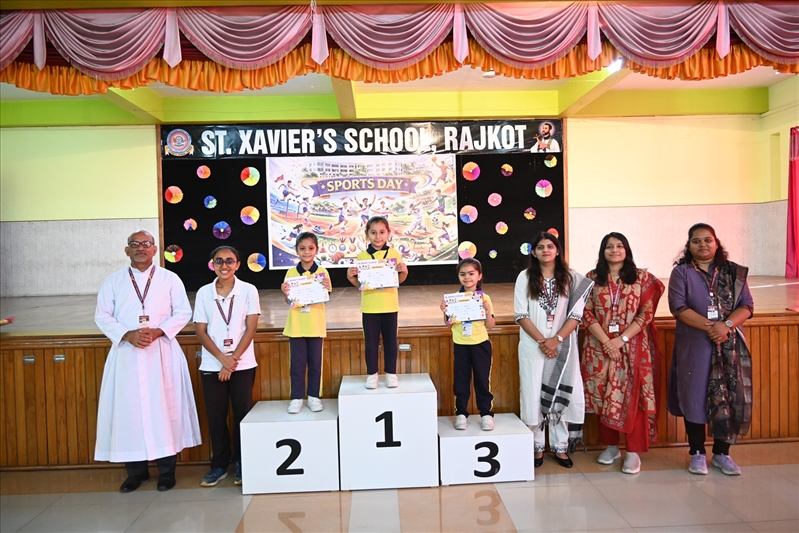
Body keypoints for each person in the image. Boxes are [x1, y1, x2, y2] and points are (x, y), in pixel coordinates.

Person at [94, 230, 201, 493]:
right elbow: (102, 316)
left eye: (146, 244)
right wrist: (127, 334)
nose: (140, 248)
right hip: (127, 355)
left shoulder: (169, 278)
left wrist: (159, 331)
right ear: (126, 250)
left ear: (154, 250)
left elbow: (183, 311)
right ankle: (136, 473)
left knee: (164, 410)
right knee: (129, 413)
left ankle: (167, 472)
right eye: (135, 244)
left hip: (160, 351)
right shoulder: (113, 281)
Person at [668, 223, 754, 476]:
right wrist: (712, 328)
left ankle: (721, 454)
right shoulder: (682, 272)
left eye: (707, 240)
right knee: (694, 395)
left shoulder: (734, 272)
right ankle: (696, 452)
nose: (702, 244)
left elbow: (747, 306)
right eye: (696, 241)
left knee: (728, 395)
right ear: (689, 246)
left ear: (717, 243)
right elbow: (678, 308)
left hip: (729, 345)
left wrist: (725, 326)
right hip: (694, 346)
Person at [581, 233, 665, 474]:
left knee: (634, 397)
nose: (614, 250)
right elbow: (585, 312)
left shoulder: (642, 278)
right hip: (599, 347)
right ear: (602, 251)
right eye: (609, 246)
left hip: (633, 347)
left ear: (627, 250)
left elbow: (646, 313)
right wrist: (607, 342)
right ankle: (611, 446)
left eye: (619, 246)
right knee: (604, 395)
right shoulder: (592, 278)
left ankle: (633, 451)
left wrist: (621, 339)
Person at [514, 232, 593, 468]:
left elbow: (576, 315)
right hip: (533, 346)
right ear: (533, 252)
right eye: (540, 247)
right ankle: (537, 446)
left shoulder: (571, 278)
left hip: (563, 345)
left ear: (557, 250)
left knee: (560, 389)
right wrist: (543, 341)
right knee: (533, 394)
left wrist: (556, 340)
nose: (545, 250)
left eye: (550, 246)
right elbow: (521, 314)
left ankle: (560, 446)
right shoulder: (525, 277)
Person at [194, 246, 260, 487]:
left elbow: (251, 328)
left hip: (242, 364)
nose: (224, 265)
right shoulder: (204, 292)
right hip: (213, 364)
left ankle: (242, 461)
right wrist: (223, 359)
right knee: (216, 416)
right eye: (219, 261)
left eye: (230, 261)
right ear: (212, 264)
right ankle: (219, 465)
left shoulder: (249, 290)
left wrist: (231, 361)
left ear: (238, 264)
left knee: (242, 414)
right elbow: (200, 331)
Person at [347, 216, 409, 389]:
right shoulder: (362, 256)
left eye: (382, 232)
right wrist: (351, 277)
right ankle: (372, 374)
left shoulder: (394, 254)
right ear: (367, 235)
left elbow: (399, 280)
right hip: (370, 307)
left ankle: (391, 373)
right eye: (373, 233)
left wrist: (404, 271)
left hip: (390, 306)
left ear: (388, 233)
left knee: (391, 342)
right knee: (371, 343)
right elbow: (361, 284)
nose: (378, 237)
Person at [440, 258, 496, 431]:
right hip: (460, 344)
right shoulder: (453, 299)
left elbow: (491, 325)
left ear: (479, 276)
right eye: (462, 274)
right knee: (461, 380)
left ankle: (486, 414)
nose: (467, 278)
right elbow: (448, 324)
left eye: (471, 274)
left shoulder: (485, 298)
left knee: (482, 380)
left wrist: (487, 311)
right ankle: (461, 413)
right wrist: (445, 311)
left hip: (480, 344)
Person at [281, 232, 332, 414]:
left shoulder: (322, 272)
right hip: (296, 326)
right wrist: (285, 293)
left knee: (315, 364)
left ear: (316, 250)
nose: (307, 252)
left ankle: (313, 396)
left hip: (315, 325)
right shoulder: (291, 273)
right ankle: (296, 398)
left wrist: (326, 288)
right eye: (302, 248)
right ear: (296, 250)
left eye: (311, 248)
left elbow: (326, 296)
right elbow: (289, 301)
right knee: (297, 364)